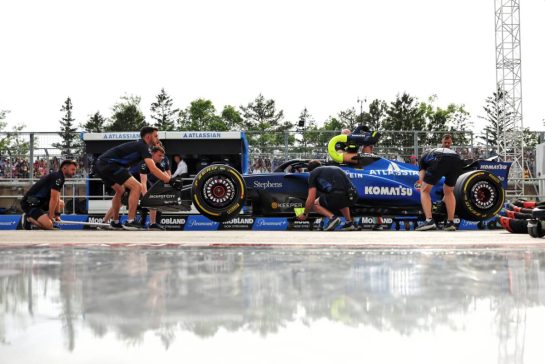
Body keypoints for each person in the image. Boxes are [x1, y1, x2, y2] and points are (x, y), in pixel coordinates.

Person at [95, 126, 176, 230]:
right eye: (155, 136)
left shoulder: (141, 146)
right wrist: (170, 180)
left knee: (120, 190)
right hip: (110, 164)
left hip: (100, 164)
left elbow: (158, 167)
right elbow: (152, 168)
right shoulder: (143, 146)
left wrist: (169, 179)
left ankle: (115, 222)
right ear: (148, 136)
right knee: (137, 187)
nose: (157, 139)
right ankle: (130, 221)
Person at [416, 134, 463, 231]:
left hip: (440, 159)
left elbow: (421, 179)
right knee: (449, 191)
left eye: (448, 142)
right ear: (442, 142)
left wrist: (422, 185)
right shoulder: (453, 151)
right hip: (457, 160)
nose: (446, 144)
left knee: (424, 190)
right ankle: (450, 222)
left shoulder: (424, 157)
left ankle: (429, 220)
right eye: (445, 142)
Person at [297, 160, 357, 231]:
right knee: (340, 197)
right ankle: (349, 222)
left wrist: (305, 214)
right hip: (353, 196)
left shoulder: (313, 173)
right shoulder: (336, 168)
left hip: (337, 196)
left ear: (310, 171)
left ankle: (333, 218)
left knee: (313, 203)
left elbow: (311, 198)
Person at [20, 159, 77, 230]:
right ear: (64, 168)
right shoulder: (58, 177)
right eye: (72, 169)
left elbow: (57, 197)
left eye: (75, 170)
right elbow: (53, 199)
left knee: (61, 203)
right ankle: (28, 218)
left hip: (40, 202)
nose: (74, 172)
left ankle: (41, 219)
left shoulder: (60, 177)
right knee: (49, 226)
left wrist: (57, 215)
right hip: (30, 203)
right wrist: (50, 216)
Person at [136, 145, 171, 230]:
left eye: (162, 156)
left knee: (153, 198)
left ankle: (153, 224)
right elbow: (143, 183)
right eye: (159, 155)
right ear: (152, 154)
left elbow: (167, 178)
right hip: (130, 181)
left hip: (141, 182)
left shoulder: (158, 164)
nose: (162, 158)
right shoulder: (144, 163)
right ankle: (111, 221)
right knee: (121, 201)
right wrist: (146, 197)